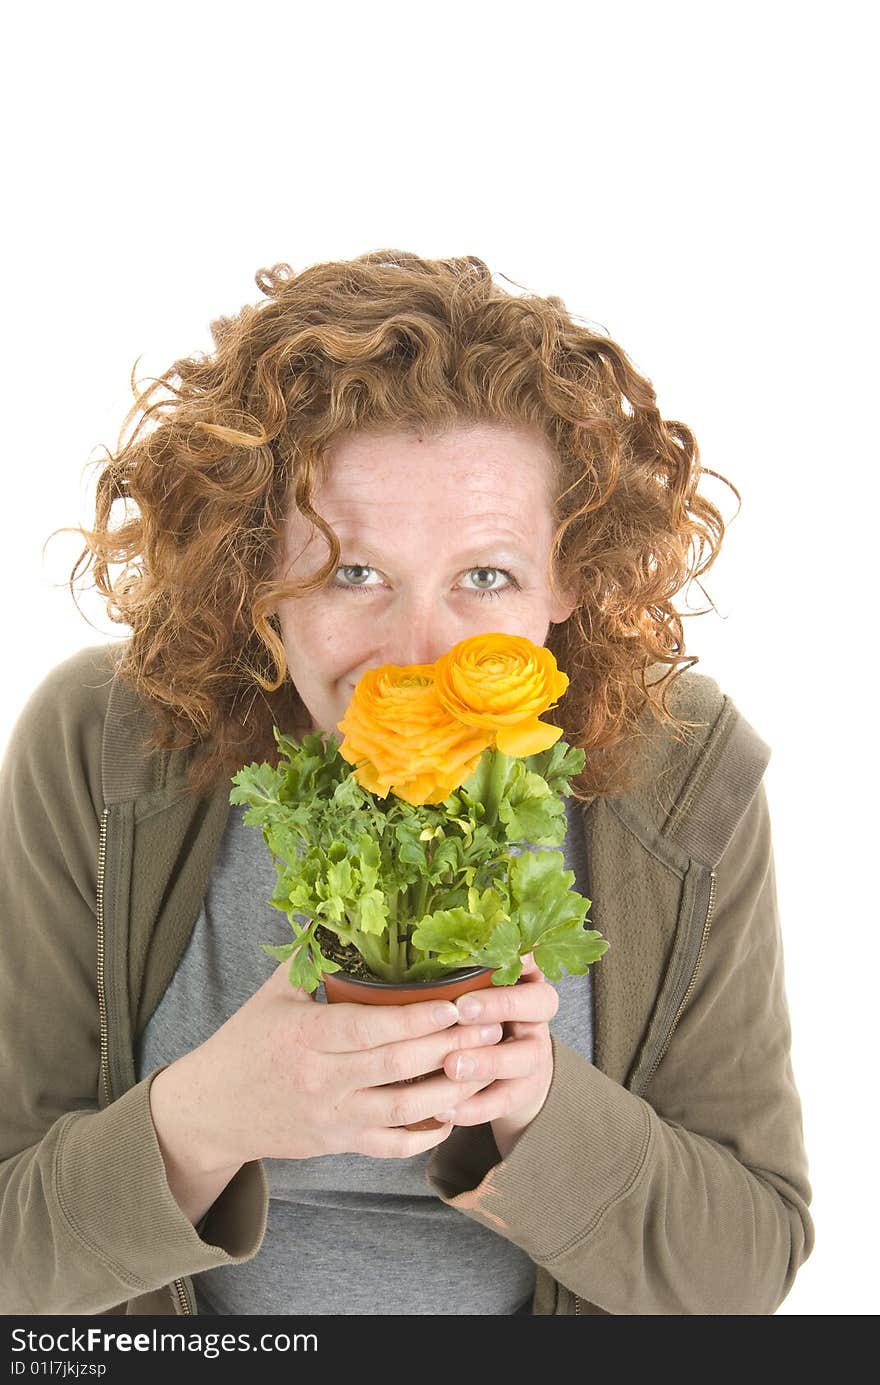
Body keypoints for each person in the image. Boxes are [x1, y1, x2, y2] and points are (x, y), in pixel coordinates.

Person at [0, 249, 813, 1316]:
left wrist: (539, 1109)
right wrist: (202, 1118)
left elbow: (745, 1266)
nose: (414, 657)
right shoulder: (100, 739)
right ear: (257, 572)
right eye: (352, 571)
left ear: (567, 575)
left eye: (485, 574)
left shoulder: (681, 765)